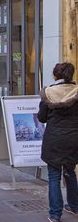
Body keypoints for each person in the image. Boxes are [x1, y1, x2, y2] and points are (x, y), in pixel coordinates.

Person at [37, 62, 78, 222]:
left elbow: (42, 117)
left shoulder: (48, 93)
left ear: (56, 75)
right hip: (73, 138)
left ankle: (55, 214)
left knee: (54, 176)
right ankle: (74, 206)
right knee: (70, 172)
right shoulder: (76, 92)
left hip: (54, 139)